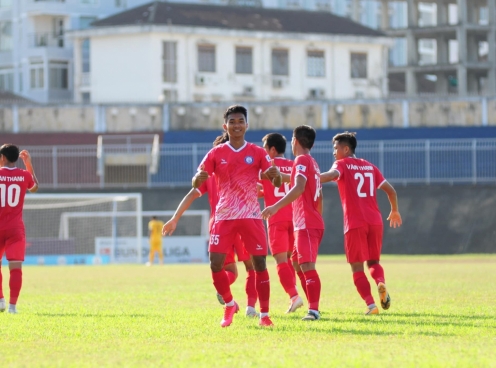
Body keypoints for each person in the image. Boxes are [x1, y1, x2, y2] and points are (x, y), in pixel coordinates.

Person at [192, 105, 281, 328]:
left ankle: (264, 315)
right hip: (224, 215)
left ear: (246, 125)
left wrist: (276, 176)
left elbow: (276, 181)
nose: (237, 125)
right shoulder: (215, 153)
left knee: (259, 264)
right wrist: (198, 177)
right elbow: (196, 182)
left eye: (240, 121)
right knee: (215, 264)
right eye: (232, 122)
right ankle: (230, 304)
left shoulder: (257, 152)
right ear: (225, 126)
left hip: (251, 214)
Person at [162, 132, 260, 317]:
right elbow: (257, 190)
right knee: (251, 266)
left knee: (228, 270)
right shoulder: (242, 170)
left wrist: (175, 218)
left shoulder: (209, 174)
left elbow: (191, 194)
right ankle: (251, 308)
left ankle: (226, 295)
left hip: (219, 224)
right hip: (242, 220)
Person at [320, 132, 402, 315]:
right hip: (375, 221)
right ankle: (380, 281)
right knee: (373, 261)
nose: (334, 152)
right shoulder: (370, 167)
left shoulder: (341, 164)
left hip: (355, 223)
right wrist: (394, 210)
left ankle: (371, 305)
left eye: (336, 148)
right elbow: (391, 191)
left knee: (357, 267)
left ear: (346, 149)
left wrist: (310, 178)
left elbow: (331, 175)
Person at [261, 126, 324, 321]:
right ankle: (310, 303)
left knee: (306, 265)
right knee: (296, 263)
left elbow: (298, 187)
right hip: (302, 221)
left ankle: (313, 310)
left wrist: (275, 207)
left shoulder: (301, 160)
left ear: (295, 141)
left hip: (303, 222)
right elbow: (318, 193)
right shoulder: (310, 162)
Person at [258, 133, 304, 314]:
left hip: (276, 218)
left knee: (280, 260)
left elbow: (256, 188)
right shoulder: (294, 166)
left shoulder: (268, 167)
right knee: (294, 261)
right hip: (295, 218)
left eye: (265, 149)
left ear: (272, 150)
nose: (264, 153)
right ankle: (298, 298)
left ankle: (294, 296)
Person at [0, 144, 39, 314]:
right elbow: (34, 188)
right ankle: (12, 307)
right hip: (15, 229)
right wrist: (29, 165)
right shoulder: (23, 175)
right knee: (15, 268)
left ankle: (0, 300)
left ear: (2, 157)